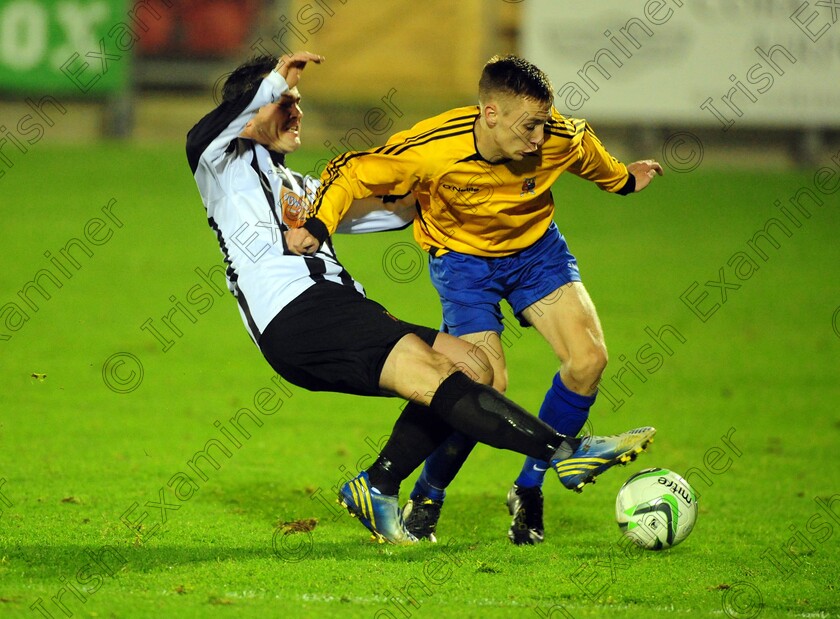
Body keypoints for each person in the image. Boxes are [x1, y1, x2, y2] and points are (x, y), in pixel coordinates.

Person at [187, 52, 655, 545]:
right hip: (297, 316)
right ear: (250, 110)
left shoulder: (297, 188)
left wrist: (436, 187)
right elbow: (203, 133)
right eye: (285, 104)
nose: (295, 111)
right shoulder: (221, 165)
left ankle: (379, 483)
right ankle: (566, 452)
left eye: (297, 103)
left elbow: (386, 211)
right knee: (438, 374)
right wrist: (274, 82)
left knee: (476, 368)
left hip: (339, 307)